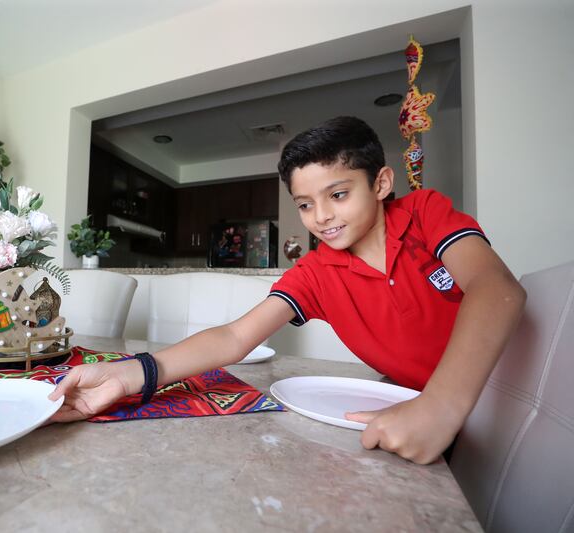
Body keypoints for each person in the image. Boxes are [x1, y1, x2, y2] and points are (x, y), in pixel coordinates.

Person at [49, 116, 526, 465]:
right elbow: (235, 338)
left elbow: (496, 289)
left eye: (338, 194)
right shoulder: (317, 272)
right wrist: (131, 374)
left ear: (381, 183)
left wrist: (440, 405)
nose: (321, 216)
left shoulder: (424, 213)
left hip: (513, 401)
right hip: (416, 417)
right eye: (304, 204)